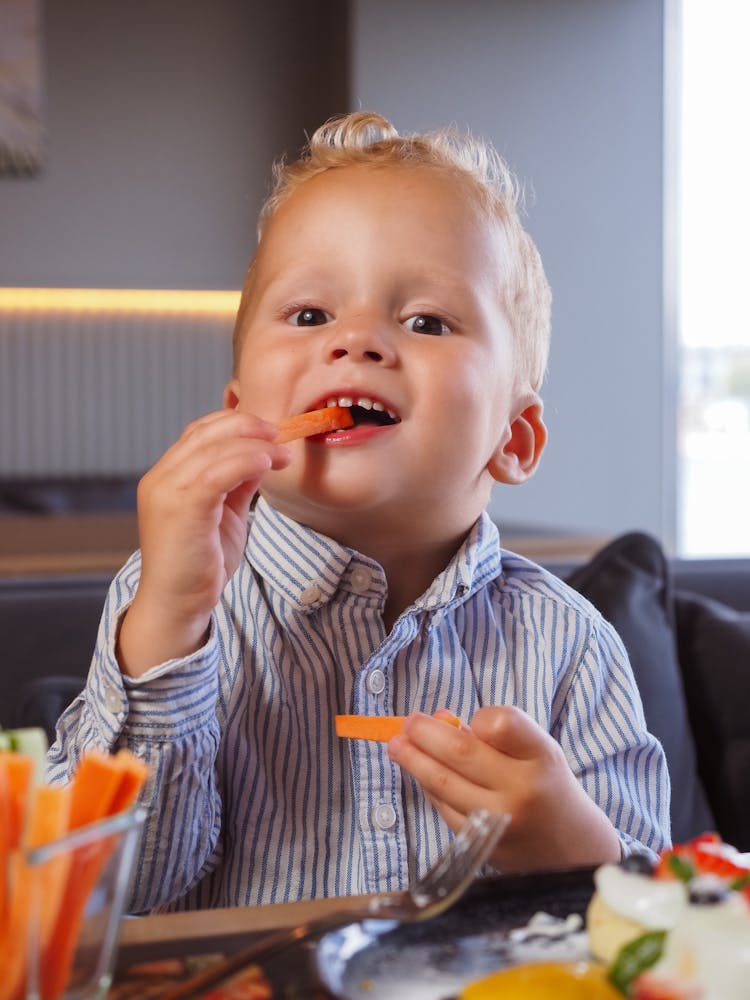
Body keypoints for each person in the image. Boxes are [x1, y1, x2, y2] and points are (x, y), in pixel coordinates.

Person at [49, 111, 670, 913]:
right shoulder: (169, 597)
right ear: (242, 409)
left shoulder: (570, 644)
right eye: (310, 315)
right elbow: (108, 897)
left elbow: (656, 933)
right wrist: (170, 616)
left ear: (512, 439)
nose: (359, 342)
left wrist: (575, 854)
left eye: (426, 322)